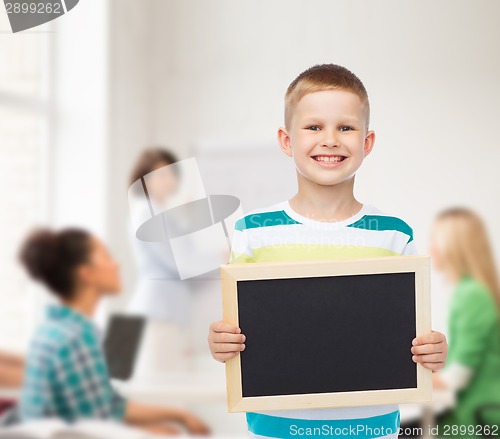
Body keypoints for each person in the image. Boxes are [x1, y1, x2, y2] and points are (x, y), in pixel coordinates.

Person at [208, 63, 448, 439]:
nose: (331, 139)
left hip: (372, 427)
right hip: (278, 427)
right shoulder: (252, 231)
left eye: (346, 127)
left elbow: (408, 328)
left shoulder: (394, 234)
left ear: (367, 143)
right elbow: (238, 330)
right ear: (287, 141)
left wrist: (432, 349)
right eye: (314, 127)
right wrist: (220, 342)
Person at [18, 228, 210, 435]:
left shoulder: (54, 330)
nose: (116, 264)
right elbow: (95, 426)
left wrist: (177, 415)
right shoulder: (77, 339)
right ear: (86, 274)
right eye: (106, 256)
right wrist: (157, 430)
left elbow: (108, 406)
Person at [430, 208, 500, 435]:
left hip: (477, 419)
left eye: (435, 240)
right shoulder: (473, 291)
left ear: (453, 247)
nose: (431, 248)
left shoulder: (471, 295)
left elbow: (456, 377)